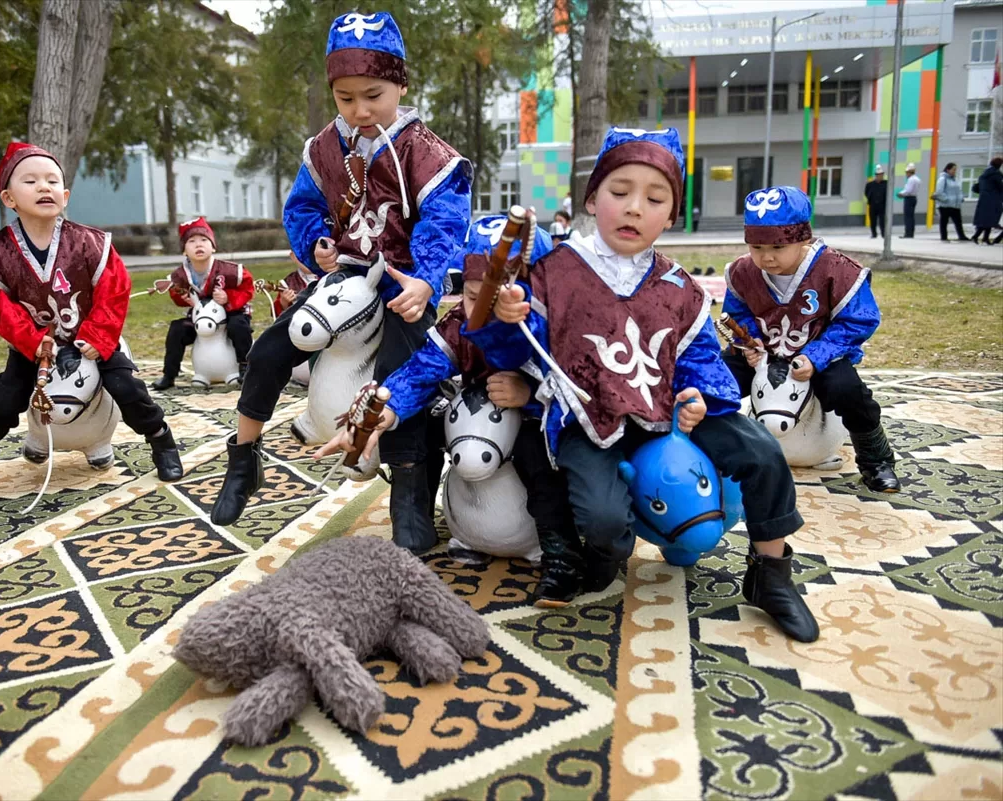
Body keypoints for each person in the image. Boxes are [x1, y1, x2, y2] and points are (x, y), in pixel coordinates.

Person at [467, 128, 820, 643]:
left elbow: (700, 359)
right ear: (592, 199)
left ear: (671, 214)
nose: (635, 208)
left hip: (667, 412)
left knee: (761, 451)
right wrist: (504, 317)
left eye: (654, 198)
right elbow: (511, 353)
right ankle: (604, 553)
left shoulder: (680, 285)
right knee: (607, 521)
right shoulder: (555, 273)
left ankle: (771, 573)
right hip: (590, 422)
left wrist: (699, 396)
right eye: (619, 192)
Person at [208, 11, 472, 554]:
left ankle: (408, 501)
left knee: (404, 380)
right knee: (271, 348)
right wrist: (315, 245)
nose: (360, 110)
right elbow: (302, 207)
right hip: (346, 275)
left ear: (401, 83)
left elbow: (445, 221)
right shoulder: (322, 148)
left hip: (402, 285)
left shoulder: (431, 155)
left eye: (373, 94)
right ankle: (245, 458)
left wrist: (423, 281)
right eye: (346, 97)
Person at [318, 217, 589, 606]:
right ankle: (426, 512)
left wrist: (530, 392)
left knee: (538, 456)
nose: (482, 309)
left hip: (536, 418)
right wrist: (382, 410)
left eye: (497, 298)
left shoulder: (557, 325)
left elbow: (585, 385)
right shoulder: (458, 326)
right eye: (474, 295)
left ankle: (561, 552)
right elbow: (421, 370)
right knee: (428, 417)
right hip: (479, 417)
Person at [0, 142, 183, 490]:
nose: (44, 187)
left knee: (127, 387)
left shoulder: (90, 243)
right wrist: (33, 342)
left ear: (65, 194)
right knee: (4, 397)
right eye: (30, 181)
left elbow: (114, 288)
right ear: (8, 198)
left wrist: (98, 336)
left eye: (52, 181)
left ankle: (161, 440)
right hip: (36, 346)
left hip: (89, 340)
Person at [722, 185, 900, 494]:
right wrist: (748, 344)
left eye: (777, 248)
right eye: (757, 248)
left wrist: (816, 356)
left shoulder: (836, 271)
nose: (767, 257)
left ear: (803, 239)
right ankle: (708, 449)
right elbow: (737, 314)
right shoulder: (742, 271)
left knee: (847, 390)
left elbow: (859, 319)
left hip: (818, 352)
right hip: (764, 351)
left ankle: (876, 462)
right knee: (714, 379)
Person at [151, 217, 255, 390]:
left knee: (239, 326)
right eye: (191, 241)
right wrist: (182, 298)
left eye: (204, 240)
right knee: (177, 329)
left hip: (231, 313)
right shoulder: (180, 275)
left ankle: (245, 366)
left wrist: (228, 297)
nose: (198, 245)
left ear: (213, 246)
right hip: (200, 318)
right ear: (184, 250)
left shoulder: (229, 270)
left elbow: (248, 288)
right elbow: (175, 294)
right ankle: (169, 374)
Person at [933, 162, 970, 242]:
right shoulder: (943, 179)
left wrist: (961, 198)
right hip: (945, 205)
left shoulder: (955, 179)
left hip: (955, 205)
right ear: (948, 170)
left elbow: (958, 190)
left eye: (955, 170)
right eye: (953, 169)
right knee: (944, 221)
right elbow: (939, 192)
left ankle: (962, 236)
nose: (954, 171)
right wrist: (946, 199)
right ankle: (944, 237)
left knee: (958, 221)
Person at [971, 157, 1003, 245]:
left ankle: (983, 238)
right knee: (990, 220)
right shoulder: (997, 174)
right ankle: (978, 237)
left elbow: (975, 187)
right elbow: (1001, 187)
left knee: (986, 220)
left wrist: (983, 192)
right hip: (993, 200)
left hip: (983, 200)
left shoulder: (984, 174)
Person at [896, 162, 920, 238]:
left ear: (909, 172)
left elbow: (908, 190)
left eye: (907, 172)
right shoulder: (917, 179)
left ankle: (908, 233)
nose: (906, 174)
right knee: (911, 217)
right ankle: (911, 232)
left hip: (909, 198)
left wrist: (900, 193)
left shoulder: (911, 180)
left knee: (908, 217)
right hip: (914, 198)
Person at [864, 164, 887, 238]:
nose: (880, 176)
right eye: (879, 175)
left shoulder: (885, 184)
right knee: (873, 220)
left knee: (882, 220)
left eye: (881, 175)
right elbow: (866, 192)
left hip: (882, 205)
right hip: (873, 204)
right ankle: (874, 234)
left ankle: (883, 234)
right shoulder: (870, 184)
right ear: (876, 175)